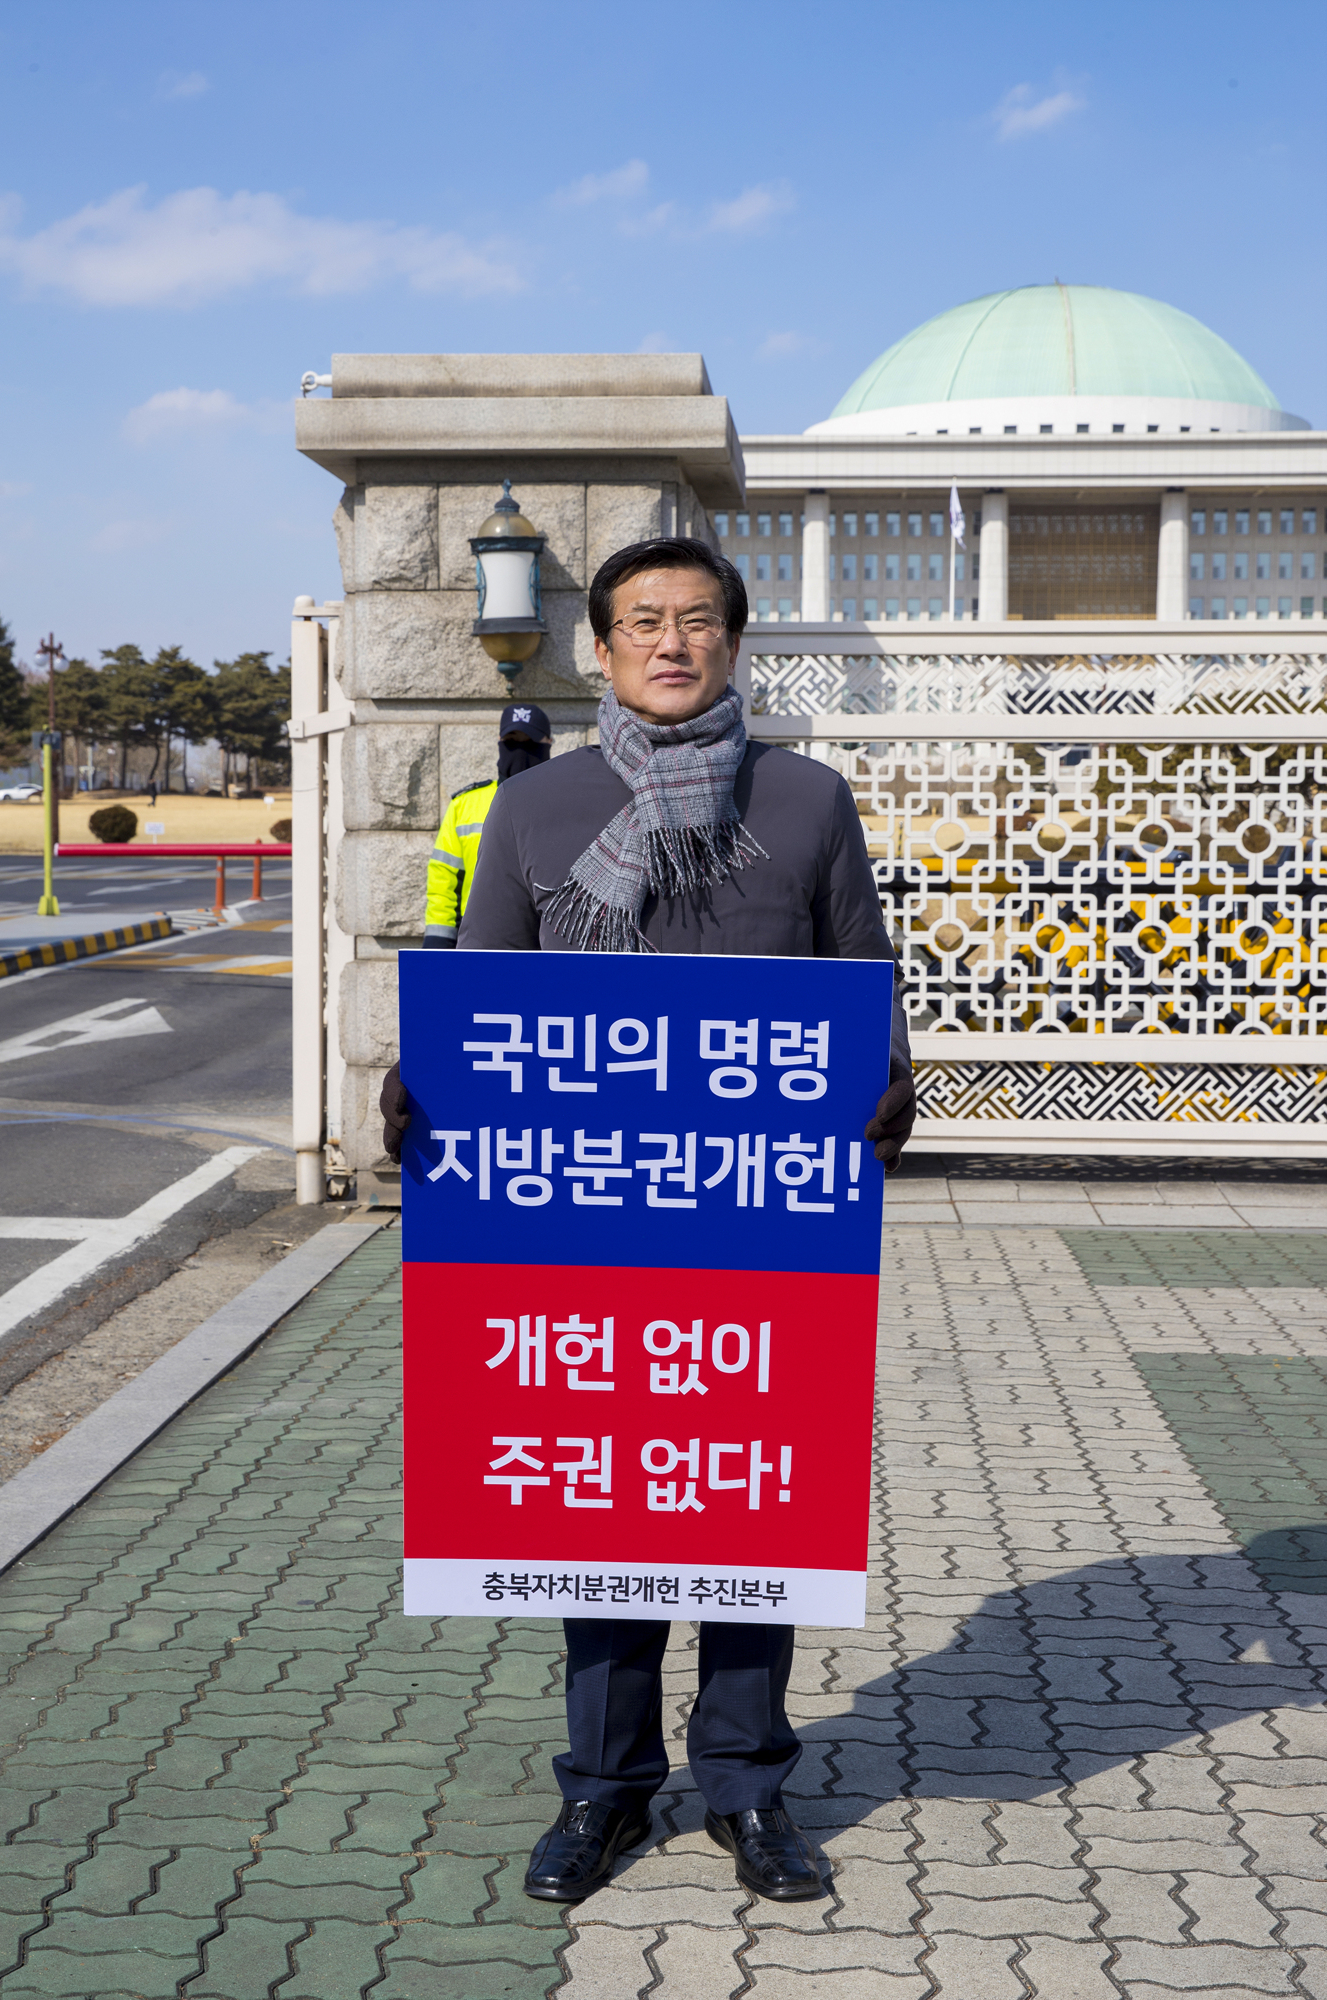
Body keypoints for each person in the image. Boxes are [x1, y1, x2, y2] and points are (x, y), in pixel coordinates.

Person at [380, 536, 916, 1905]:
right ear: (602, 652)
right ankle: (605, 1795)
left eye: (696, 622)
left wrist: (885, 1088)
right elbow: (489, 989)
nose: (672, 643)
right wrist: (423, 1082)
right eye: (642, 623)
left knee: (754, 1514)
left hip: (758, 1227)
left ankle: (746, 1789)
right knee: (605, 1508)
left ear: (734, 643)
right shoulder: (536, 809)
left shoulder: (805, 801)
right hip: (584, 1228)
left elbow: (859, 977)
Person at [422, 702, 552, 945]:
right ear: (499, 741)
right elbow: (443, 882)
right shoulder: (465, 806)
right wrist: (437, 945)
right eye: (512, 741)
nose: (520, 750)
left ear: (549, 744)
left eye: (530, 742)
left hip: (546, 945)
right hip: (480, 943)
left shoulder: (563, 803)